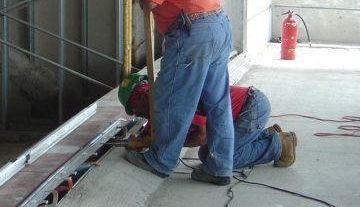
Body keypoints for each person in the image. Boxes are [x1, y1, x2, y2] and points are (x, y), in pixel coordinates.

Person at [116, 0, 234, 185]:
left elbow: (151, 2)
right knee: (218, 103)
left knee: (172, 98)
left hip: (193, 33)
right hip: (216, 25)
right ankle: (219, 167)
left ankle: (160, 160)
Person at [119, 75, 297, 171]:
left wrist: (170, 144)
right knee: (209, 154)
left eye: (135, 109)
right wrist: (141, 140)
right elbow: (153, 131)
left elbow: (203, 134)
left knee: (219, 160)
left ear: (143, 96)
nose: (138, 114)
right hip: (249, 107)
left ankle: (279, 145)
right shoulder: (157, 102)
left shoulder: (171, 101)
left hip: (250, 108)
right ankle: (264, 135)